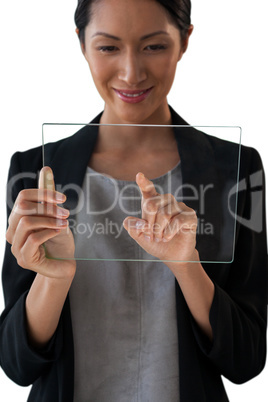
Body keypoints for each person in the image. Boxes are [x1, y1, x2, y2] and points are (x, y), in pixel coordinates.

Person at [0, 0, 267, 401]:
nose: (131, 72)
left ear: (184, 40)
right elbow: (17, 365)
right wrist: (52, 279)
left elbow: (246, 361)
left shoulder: (238, 169)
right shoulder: (34, 171)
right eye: (108, 47)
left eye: (154, 46)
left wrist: (187, 266)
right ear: (82, 44)